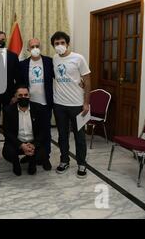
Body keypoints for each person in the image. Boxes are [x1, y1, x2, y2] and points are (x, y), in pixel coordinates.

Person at [50, 31, 91, 179]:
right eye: (56, 43)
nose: (59, 45)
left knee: (80, 136)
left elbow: (87, 81)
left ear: (67, 44)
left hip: (77, 104)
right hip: (59, 104)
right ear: (53, 46)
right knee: (62, 136)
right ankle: (64, 160)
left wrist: (86, 103)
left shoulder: (78, 58)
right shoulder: (54, 59)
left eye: (62, 43)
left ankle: (81, 163)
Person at [19, 38, 54, 171]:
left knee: (45, 132)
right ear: (28, 49)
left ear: (41, 47)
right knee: (30, 131)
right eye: (32, 46)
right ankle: (30, 155)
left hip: (45, 103)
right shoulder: (23, 64)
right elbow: (20, 83)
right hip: (29, 105)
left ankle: (45, 157)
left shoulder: (49, 62)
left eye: (37, 46)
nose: (35, 48)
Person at [3, 86, 47, 176]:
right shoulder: (8, 110)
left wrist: (34, 145)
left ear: (29, 96)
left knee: (42, 154)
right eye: (20, 95)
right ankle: (16, 163)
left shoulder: (39, 109)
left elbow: (43, 131)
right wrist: (21, 145)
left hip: (33, 142)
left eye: (25, 95)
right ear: (15, 96)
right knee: (8, 152)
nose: (23, 97)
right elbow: (7, 132)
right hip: (17, 143)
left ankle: (32, 161)